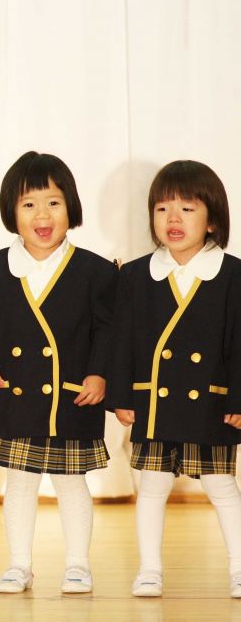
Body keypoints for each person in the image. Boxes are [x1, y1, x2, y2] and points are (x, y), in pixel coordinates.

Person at [0, 151, 116, 594]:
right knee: (20, 483)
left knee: (72, 483)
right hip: (15, 396)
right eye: (29, 204)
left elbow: (108, 331)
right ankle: (19, 565)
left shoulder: (96, 270)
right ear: (11, 211)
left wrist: (100, 374)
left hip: (73, 397)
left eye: (53, 202)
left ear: (71, 207)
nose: (42, 215)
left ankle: (78, 564)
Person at [108, 160, 241, 598]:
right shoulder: (134, 275)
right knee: (152, 485)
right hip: (154, 403)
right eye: (163, 209)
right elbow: (122, 341)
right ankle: (150, 569)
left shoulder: (234, 275)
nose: (173, 219)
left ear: (213, 219)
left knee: (222, 487)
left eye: (187, 208)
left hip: (212, 403)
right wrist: (122, 395)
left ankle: (239, 568)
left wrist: (238, 400)